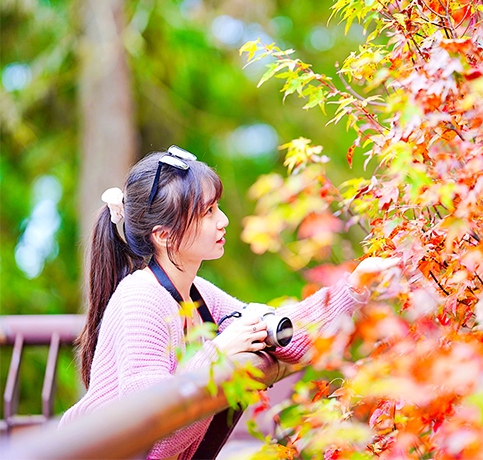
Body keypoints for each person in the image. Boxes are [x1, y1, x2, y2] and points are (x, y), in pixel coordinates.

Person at [59, 146, 369, 459]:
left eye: (217, 207)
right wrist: (219, 352)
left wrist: (355, 286)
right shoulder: (140, 297)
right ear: (164, 235)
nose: (223, 220)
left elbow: (290, 339)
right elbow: (150, 426)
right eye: (208, 212)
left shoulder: (195, 293)